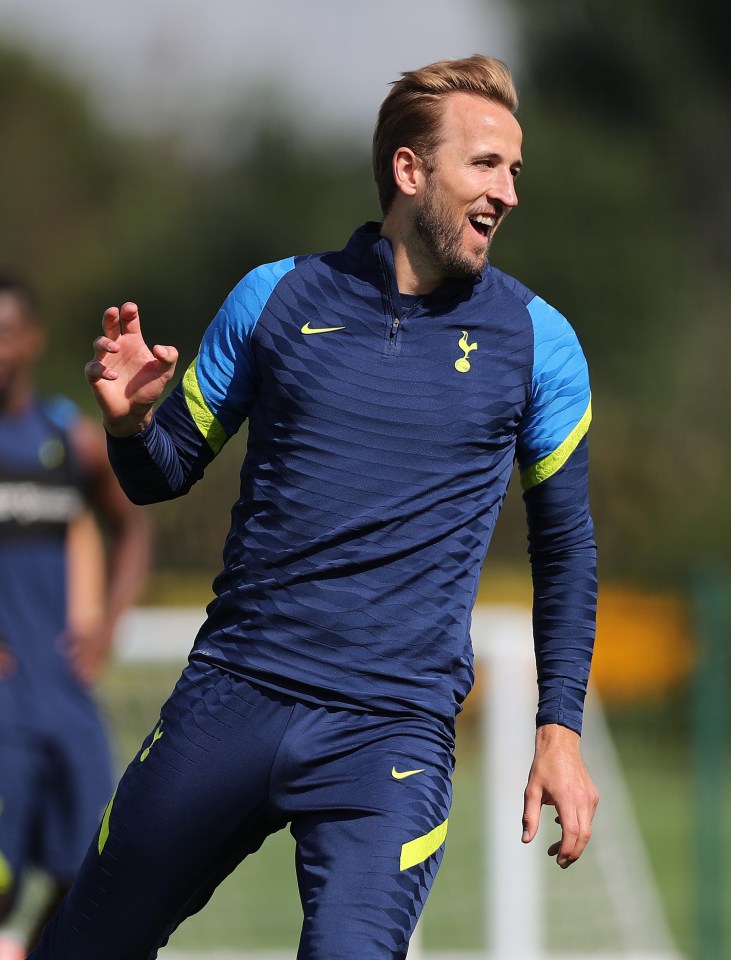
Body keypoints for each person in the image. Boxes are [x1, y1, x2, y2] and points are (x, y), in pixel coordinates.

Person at [29, 54, 599, 960]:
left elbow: (564, 550)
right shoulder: (275, 297)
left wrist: (558, 730)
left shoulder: (539, 343)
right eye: (484, 165)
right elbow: (162, 473)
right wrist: (134, 423)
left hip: (391, 734)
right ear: (410, 172)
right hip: (231, 696)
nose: (508, 193)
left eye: (514, 171)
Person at [0, 277, 151, 959]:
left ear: (32, 340)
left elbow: (132, 527)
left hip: (63, 690)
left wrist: (108, 622)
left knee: (93, 869)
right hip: (2, 707)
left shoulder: (68, 437)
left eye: (7, 332)